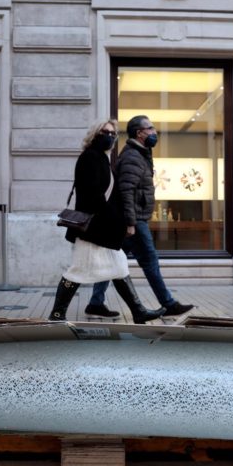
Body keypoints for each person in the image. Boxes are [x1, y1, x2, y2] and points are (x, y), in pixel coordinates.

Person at [49, 119, 166, 324]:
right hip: (93, 230)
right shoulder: (89, 158)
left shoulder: (101, 158)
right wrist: (118, 222)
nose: (110, 136)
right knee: (77, 271)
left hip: (102, 230)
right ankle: (57, 314)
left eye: (113, 133)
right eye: (105, 132)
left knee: (119, 266)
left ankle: (138, 311)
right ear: (95, 134)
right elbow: (93, 197)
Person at [85, 115, 194, 319]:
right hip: (133, 221)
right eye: (150, 129)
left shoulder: (141, 154)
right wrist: (131, 223)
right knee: (150, 260)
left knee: (113, 262)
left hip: (132, 219)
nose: (154, 133)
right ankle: (168, 304)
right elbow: (126, 192)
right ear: (140, 133)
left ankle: (95, 303)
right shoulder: (133, 157)